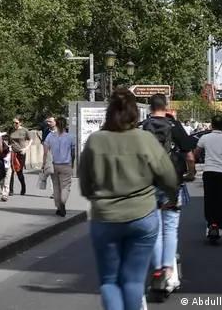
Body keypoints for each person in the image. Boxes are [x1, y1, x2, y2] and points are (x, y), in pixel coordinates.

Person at [79, 88, 180, 310]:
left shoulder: (95, 141)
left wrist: (95, 198)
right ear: (135, 113)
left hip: (105, 217)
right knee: (133, 281)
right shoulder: (144, 139)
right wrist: (170, 198)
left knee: (109, 281)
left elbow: (85, 183)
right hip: (142, 215)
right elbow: (169, 176)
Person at [140, 94, 196, 294]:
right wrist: (191, 172)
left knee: (154, 229)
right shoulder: (175, 126)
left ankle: (156, 271)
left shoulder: (142, 127)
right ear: (167, 106)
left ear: (149, 107)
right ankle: (167, 268)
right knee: (170, 227)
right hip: (172, 184)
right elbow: (189, 154)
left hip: (148, 185)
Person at [44, 116, 76, 217]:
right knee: (65, 187)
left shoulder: (50, 136)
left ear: (56, 124)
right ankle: (62, 203)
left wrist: (44, 164)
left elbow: (45, 152)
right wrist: (72, 162)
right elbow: (73, 152)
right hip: (66, 165)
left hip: (54, 165)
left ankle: (59, 207)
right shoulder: (70, 137)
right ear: (65, 125)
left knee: (56, 187)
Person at [8, 116, 31, 196]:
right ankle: (11, 190)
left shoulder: (24, 130)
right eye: (13, 122)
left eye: (16, 123)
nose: (14, 124)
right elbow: (9, 141)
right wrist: (9, 147)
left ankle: (23, 186)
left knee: (19, 172)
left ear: (20, 123)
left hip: (21, 153)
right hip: (12, 153)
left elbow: (30, 139)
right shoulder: (11, 130)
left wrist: (26, 148)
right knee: (10, 171)